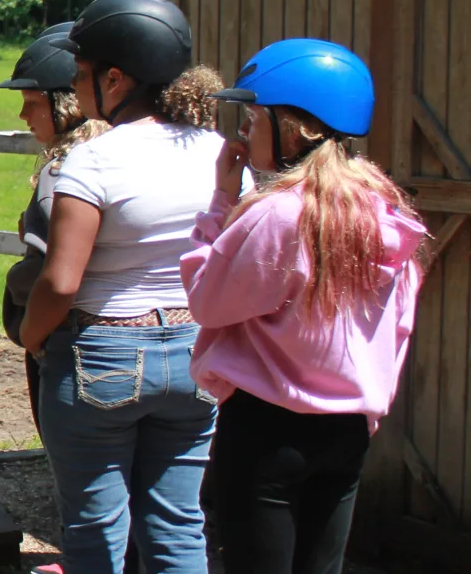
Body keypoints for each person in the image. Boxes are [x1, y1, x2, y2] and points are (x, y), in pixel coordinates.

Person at [182, 39, 426, 574]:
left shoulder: (277, 215)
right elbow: (398, 327)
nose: (243, 134)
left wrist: (221, 203)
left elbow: (208, 300)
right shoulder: (385, 215)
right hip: (346, 430)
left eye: (252, 119)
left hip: (267, 430)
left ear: (296, 128)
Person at [20, 0, 236, 573]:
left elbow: (60, 280)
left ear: (115, 79)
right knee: (177, 525)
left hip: (102, 353)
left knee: (94, 533)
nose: (80, 85)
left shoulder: (94, 160)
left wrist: (32, 337)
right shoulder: (216, 152)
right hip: (195, 352)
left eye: (84, 73)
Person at [0, 21, 108, 430]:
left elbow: (49, 271)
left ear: (65, 105)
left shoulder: (62, 174)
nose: (23, 114)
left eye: (32, 102)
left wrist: (23, 313)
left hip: (68, 339)